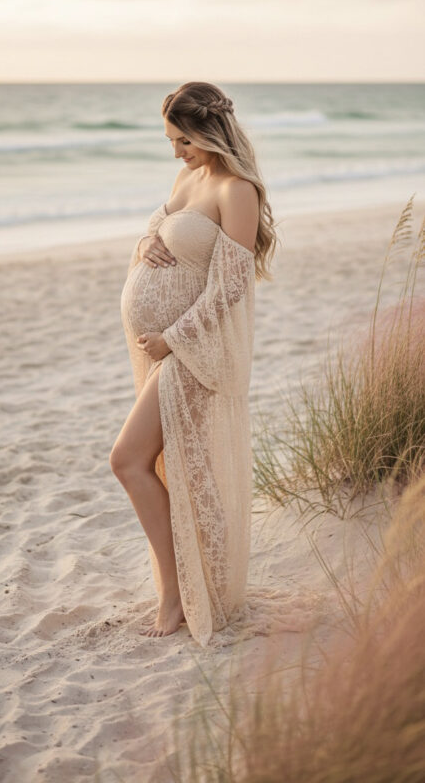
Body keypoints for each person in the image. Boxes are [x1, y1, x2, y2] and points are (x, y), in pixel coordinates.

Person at [111, 82, 277, 647]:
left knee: (129, 461)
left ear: (209, 132)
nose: (176, 152)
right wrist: (147, 241)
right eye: (170, 140)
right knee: (176, 470)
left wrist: (174, 340)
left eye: (184, 140)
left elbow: (232, 285)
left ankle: (176, 592)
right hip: (167, 351)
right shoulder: (188, 178)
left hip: (196, 355)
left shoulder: (238, 190)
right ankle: (187, 583)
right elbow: (168, 235)